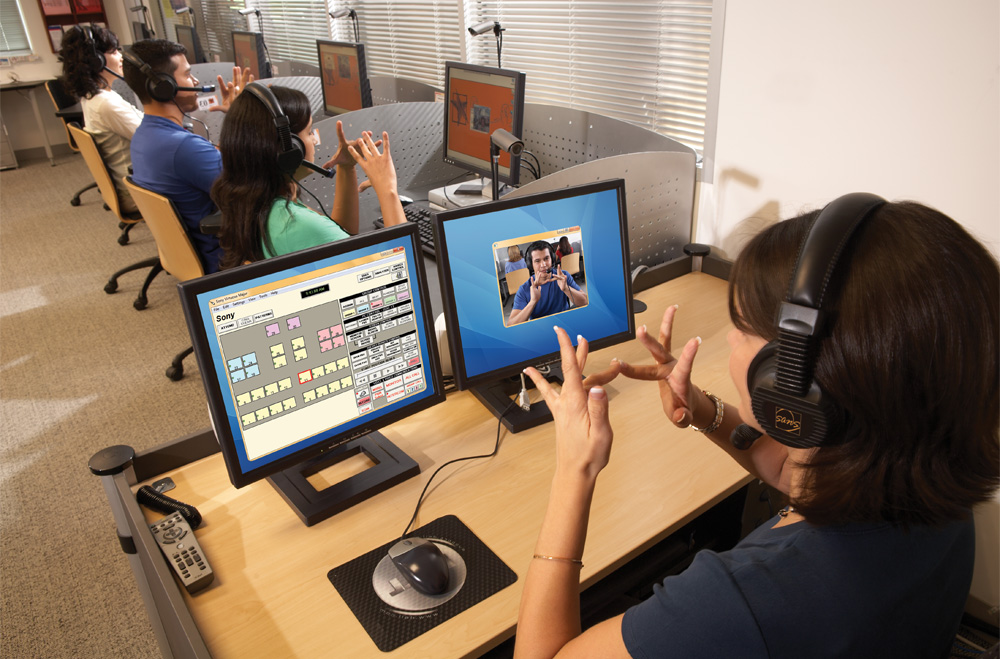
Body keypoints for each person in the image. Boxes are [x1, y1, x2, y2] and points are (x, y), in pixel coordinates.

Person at [514, 198, 999, 658]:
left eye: (743, 327)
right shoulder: (937, 481)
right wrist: (701, 411)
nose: (729, 338)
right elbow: (801, 477)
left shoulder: (735, 602)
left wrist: (575, 469)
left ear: (796, 385)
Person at [212, 84, 406, 269]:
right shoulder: (294, 224)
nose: (314, 139)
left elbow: (340, 238)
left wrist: (346, 168)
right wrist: (387, 190)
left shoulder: (260, 205)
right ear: (289, 149)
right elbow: (402, 268)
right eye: (309, 131)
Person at [123, 39, 251, 274]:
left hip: (191, 254)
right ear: (164, 86)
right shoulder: (182, 147)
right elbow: (252, 186)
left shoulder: (146, 136)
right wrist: (246, 118)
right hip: (223, 258)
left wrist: (232, 119)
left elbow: (213, 161)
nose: (195, 82)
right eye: (187, 74)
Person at [58, 26, 142, 213]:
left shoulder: (95, 97)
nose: (121, 56)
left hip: (130, 184)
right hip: (137, 193)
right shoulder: (107, 105)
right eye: (113, 51)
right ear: (97, 61)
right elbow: (155, 140)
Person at [509, 240, 588, 325]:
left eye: (546, 258)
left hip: (565, 323)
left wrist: (566, 289)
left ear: (552, 259)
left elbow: (585, 302)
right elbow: (511, 324)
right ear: (531, 264)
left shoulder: (563, 276)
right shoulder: (524, 289)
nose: (543, 265)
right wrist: (532, 302)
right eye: (537, 261)